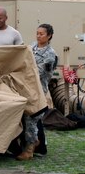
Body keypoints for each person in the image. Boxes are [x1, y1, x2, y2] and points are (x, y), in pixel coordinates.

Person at [17, 23, 56, 161]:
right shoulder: (32, 47)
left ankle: (30, 148)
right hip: (25, 87)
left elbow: (38, 73)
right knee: (24, 116)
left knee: (32, 118)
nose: (38, 36)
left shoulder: (50, 55)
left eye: (42, 34)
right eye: (37, 33)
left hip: (37, 90)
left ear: (49, 36)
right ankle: (31, 143)